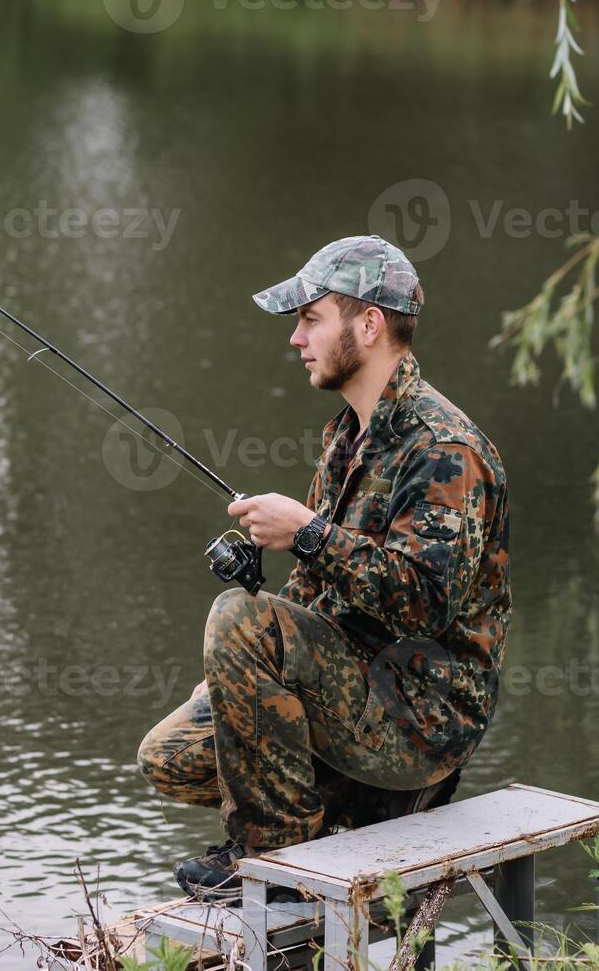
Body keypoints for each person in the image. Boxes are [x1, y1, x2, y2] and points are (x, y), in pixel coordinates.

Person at [136, 235, 511, 899]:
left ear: (369, 325)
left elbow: (426, 603)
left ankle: (278, 862)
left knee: (238, 615)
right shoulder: (346, 434)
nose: (296, 338)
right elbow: (315, 593)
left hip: (424, 718)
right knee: (170, 757)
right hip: (358, 687)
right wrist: (228, 677)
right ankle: (354, 807)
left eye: (311, 318)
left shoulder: (445, 450)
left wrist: (308, 533)